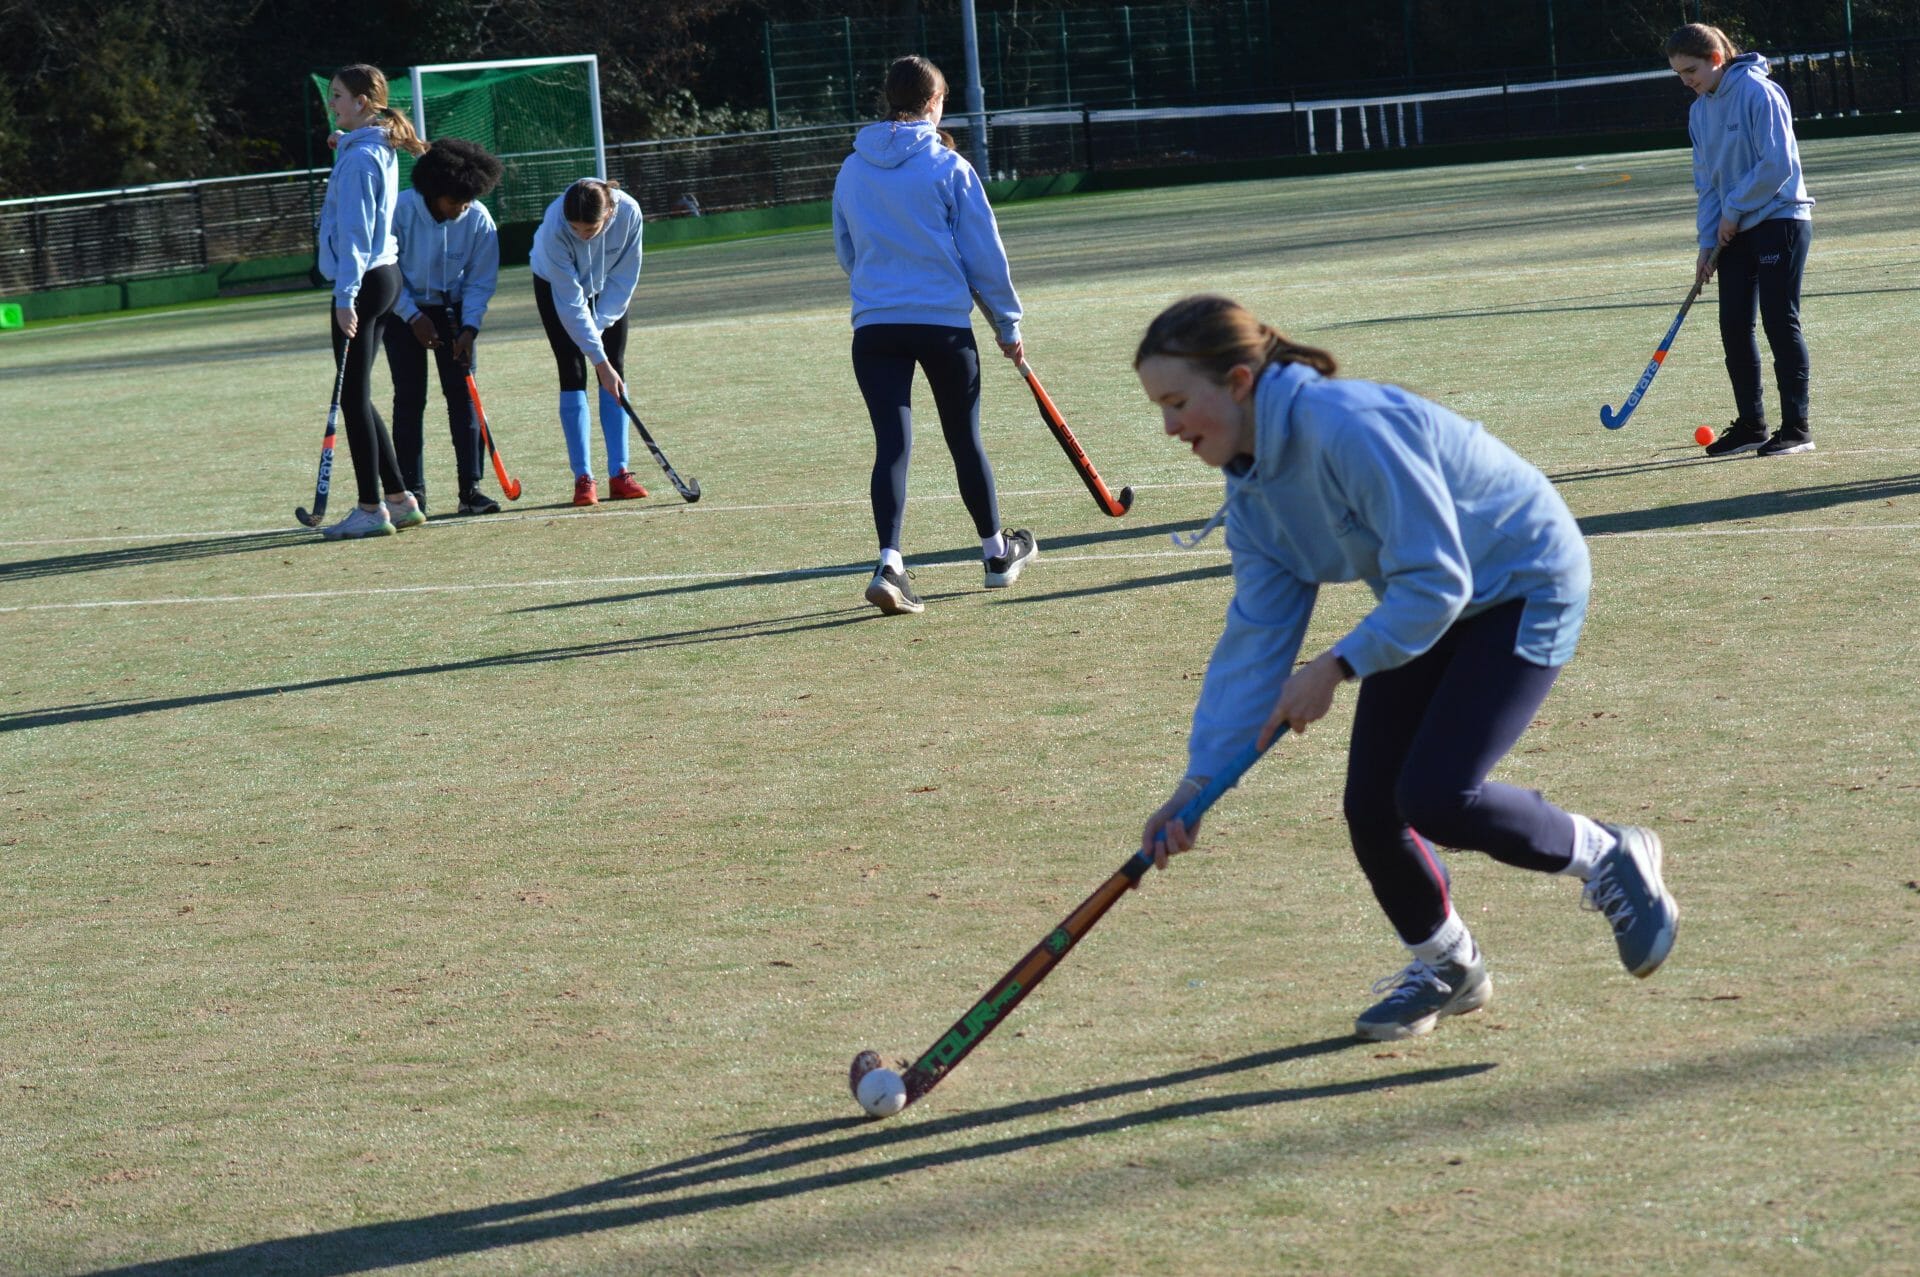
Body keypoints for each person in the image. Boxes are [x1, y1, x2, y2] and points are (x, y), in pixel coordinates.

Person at [1133, 295, 1679, 1043]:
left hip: (1522, 579)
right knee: (1373, 807)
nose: (1169, 427)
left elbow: (1440, 577)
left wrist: (1336, 663)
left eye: (1176, 402)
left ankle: (1607, 852)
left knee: (1436, 793)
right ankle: (1449, 965)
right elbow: (1256, 636)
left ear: (1236, 382)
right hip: (1425, 599)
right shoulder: (1252, 493)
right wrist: (1197, 782)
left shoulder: (1349, 428)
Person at [832, 54, 1035, 616]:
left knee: (892, 446)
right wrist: (1007, 322)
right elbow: (984, 254)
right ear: (934, 103)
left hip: (874, 327)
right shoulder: (950, 167)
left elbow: (847, 251)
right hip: (943, 326)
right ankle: (997, 555)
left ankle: (889, 563)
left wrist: (884, 286)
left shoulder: (852, 168)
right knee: (963, 438)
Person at [1667, 23, 1816, 458]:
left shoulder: (1758, 93)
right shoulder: (1699, 111)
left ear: (1716, 58)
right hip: (1733, 230)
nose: (1686, 81)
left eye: (1690, 70)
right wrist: (1705, 242)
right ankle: (1751, 424)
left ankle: (1797, 429)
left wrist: (1734, 210)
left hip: (1779, 217)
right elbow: (1707, 183)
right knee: (1733, 324)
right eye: (1678, 74)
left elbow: (1777, 165)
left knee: (1778, 319)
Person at [314, 64, 430, 539]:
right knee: (357, 394)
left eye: (338, 95)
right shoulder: (370, 144)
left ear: (363, 101)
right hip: (384, 277)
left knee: (351, 397)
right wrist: (341, 143)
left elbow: (358, 233)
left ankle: (370, 508)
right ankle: (400, 499)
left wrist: (345, 297)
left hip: (362, 280)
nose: (332, 103)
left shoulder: (362, 157)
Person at [384, 138, 505, 516]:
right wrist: (413, 316)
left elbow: (480, 281)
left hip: (454, 311)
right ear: (433, 192)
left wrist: (470, 328)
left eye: (468, 199)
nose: (463, 207)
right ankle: (411, 494)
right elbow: (385, 271)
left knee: (464, 398)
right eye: (455, 201)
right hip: (400, 307)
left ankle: (471, 490)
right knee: (409, 398)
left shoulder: (479, 220)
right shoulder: (399, 211)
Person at [529, 177, 649, 506]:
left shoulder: (629, 214)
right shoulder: (555, 227)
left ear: (608, 213)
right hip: (554, 284)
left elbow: (625, 278)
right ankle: (584, 479)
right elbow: (569, 303)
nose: (582, 236)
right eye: (576, 229)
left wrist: (598, 331)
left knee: (616, 368)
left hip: (607, 286)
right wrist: (597, 357)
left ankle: (620, 473)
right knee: (572, 370)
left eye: (590, 229)